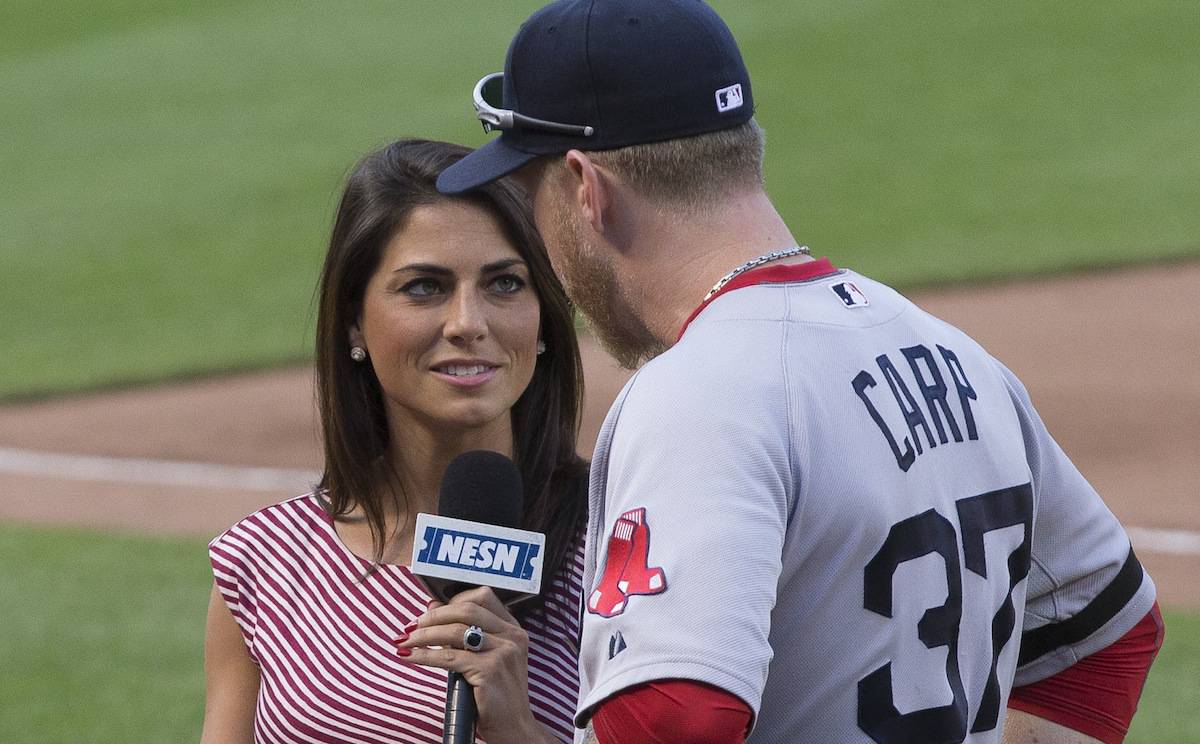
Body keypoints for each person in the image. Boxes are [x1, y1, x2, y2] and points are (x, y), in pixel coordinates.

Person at [436, 2, 1165, 743]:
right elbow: (1107, 637)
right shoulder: (957, 359)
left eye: (535, 198)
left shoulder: (697, 395)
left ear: (585, 188)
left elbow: (676, 719)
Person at [201, 139, 589, 744]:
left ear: (544, 317)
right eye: (424, 287)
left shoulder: (617, 548)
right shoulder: (265, 564)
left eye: (505, 284)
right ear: (354, 321)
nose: (467, 322)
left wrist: (517, 729)